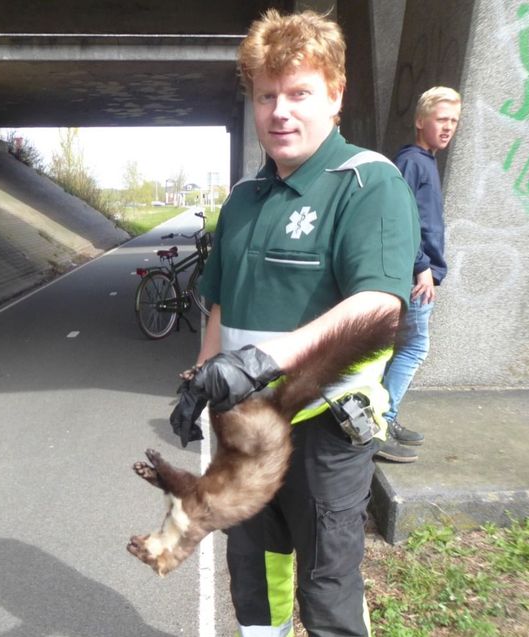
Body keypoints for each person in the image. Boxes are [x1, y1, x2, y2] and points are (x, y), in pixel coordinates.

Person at [174, 9, 419, 637]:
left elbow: (379, 304)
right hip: (245, 430)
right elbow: (222, 301)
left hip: (324, 434)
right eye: (266, 96)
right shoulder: (245, 199)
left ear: (335, 95)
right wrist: (201, 377)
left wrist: (266, 359)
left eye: (299, 93)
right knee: (253, 580)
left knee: (327, 589)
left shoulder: (368, 183)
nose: (280, 111)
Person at [375, 86, 461, 464]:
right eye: (441, 120)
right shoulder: (411, 162)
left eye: (454, 121)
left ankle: (379, 419)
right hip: (415, 277)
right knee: (413, 349)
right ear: (420, 121)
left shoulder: (425, 161)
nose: (448, 128)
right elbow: (399, 220)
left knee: (398, 351)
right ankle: (380, 422)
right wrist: (422, 266)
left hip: (419, 273)